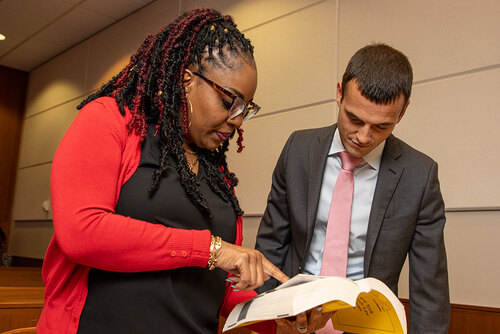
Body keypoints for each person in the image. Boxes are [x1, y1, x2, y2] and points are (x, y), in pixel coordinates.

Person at [37, 8, 288, 334]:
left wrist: (278, 319)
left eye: (246, 109)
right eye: (230, 102)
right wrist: (213, 249)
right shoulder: (110, 121)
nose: (238, 119)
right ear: (186, 80)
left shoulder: (218, 175)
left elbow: (217, 287)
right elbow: (81, 233)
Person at [255, 43, 450, 333]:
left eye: (381, 127)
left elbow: (429, 286)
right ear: (339, 93)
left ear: (403, 112)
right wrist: (266, 318)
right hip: (294, 320)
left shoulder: (419, 175)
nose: (363, 136)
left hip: (367, 325)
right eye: (354, 119)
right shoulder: (299, 149)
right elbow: (272, 243)